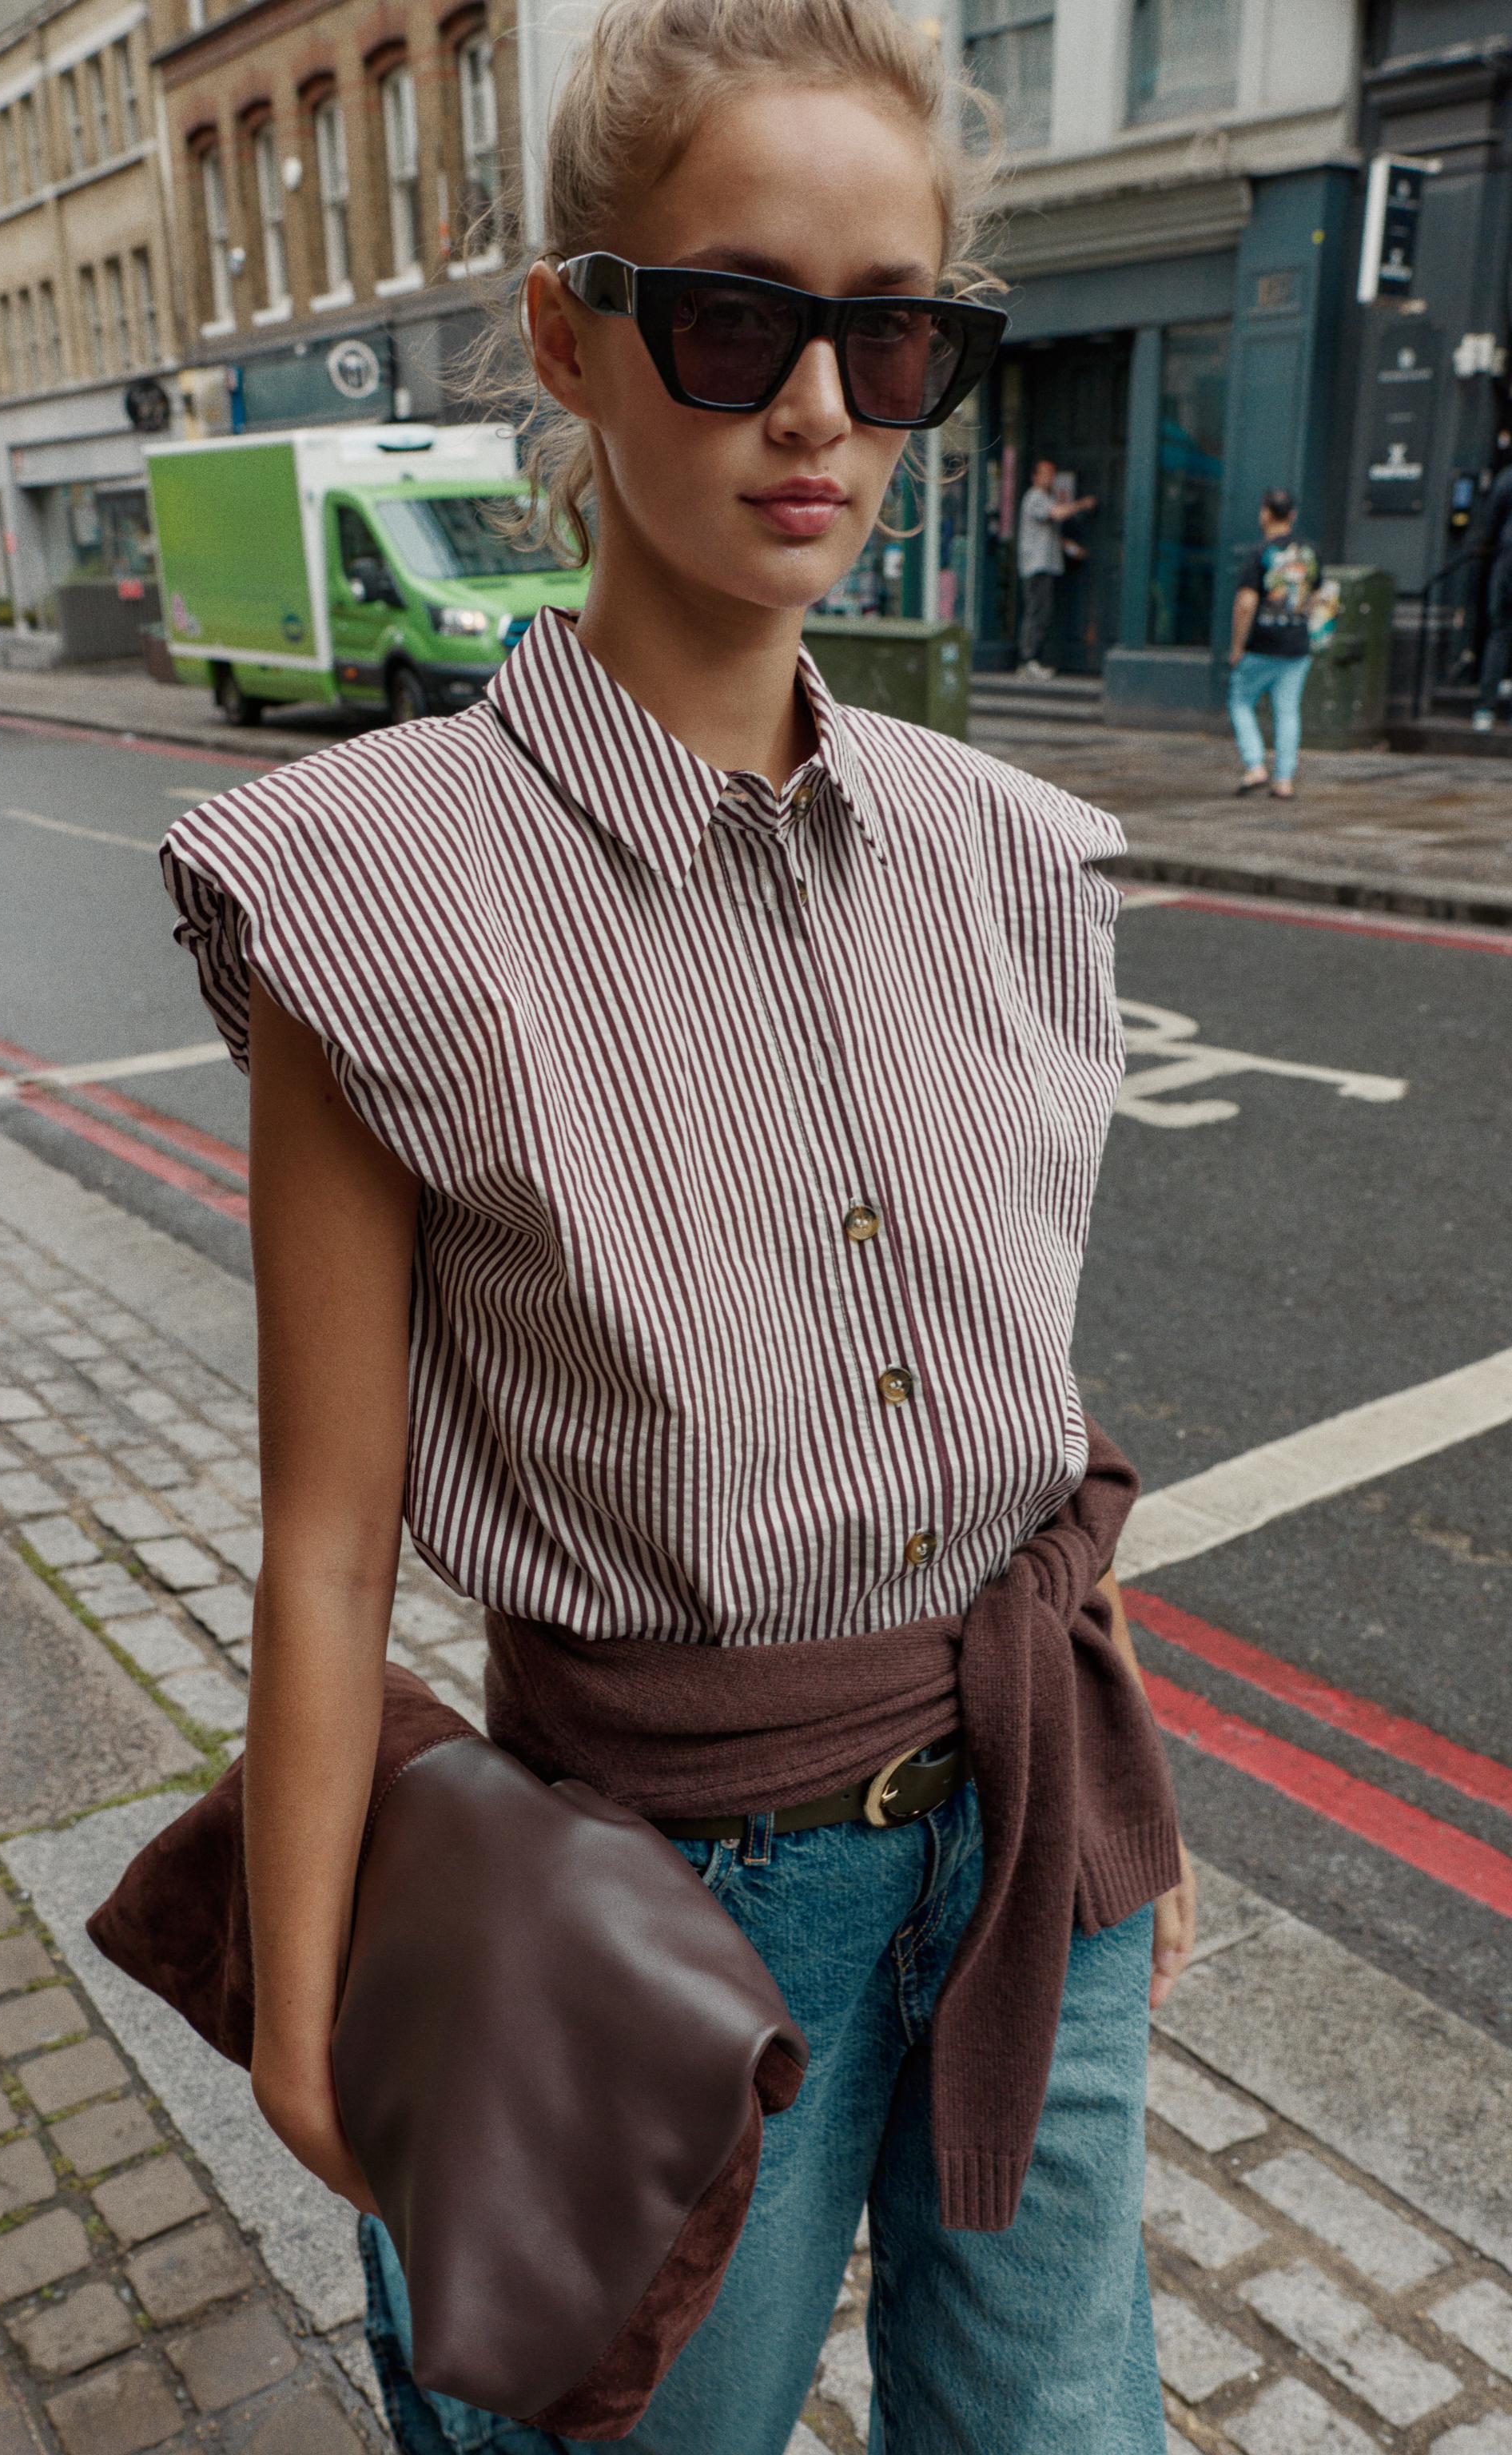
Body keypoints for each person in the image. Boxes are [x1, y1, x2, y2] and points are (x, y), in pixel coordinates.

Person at [158, 1, 1196, 2448]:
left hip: (1038, 1841)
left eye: (892, 336)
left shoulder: (1015, 860)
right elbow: (327, 1545)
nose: (814, 409)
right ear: (573, 333)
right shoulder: (372, 891)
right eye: (735, 324)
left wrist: (1122, 1807)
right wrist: (305, 2023)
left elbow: (1031, 1418)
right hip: (651, 1912)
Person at [1228, 487, 1320, 800]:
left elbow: (1245, 602)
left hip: (1261, 645)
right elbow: (1317, 597)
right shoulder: (1310, 552)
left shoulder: (1259, 553)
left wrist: (1237, 646)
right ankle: (1284, 781)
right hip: (1296, 645)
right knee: (1288, 712)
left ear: (1264, 513)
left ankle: (1255, 766)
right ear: (1292, 515)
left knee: (1241, 703)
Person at [1016, 456, 1095, 677]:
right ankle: (1029, 660)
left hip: (1048, 564)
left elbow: (1051, 534)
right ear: (1035, 477)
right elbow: (1057, 514)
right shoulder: (1035, 497)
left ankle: (1033, 659)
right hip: (1036, 566)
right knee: (1037, 612)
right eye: (1046, 473)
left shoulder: (1047, 498)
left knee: (1044, 612)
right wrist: (1082, 504)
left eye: (1052, 474)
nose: (1050, 478)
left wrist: (1072, 549)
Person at [1470, 460, 1512, 733]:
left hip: (1507, 562)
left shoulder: (1508, 477)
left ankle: (1486, 707)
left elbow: (1490, 520)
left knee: (1500, 633)